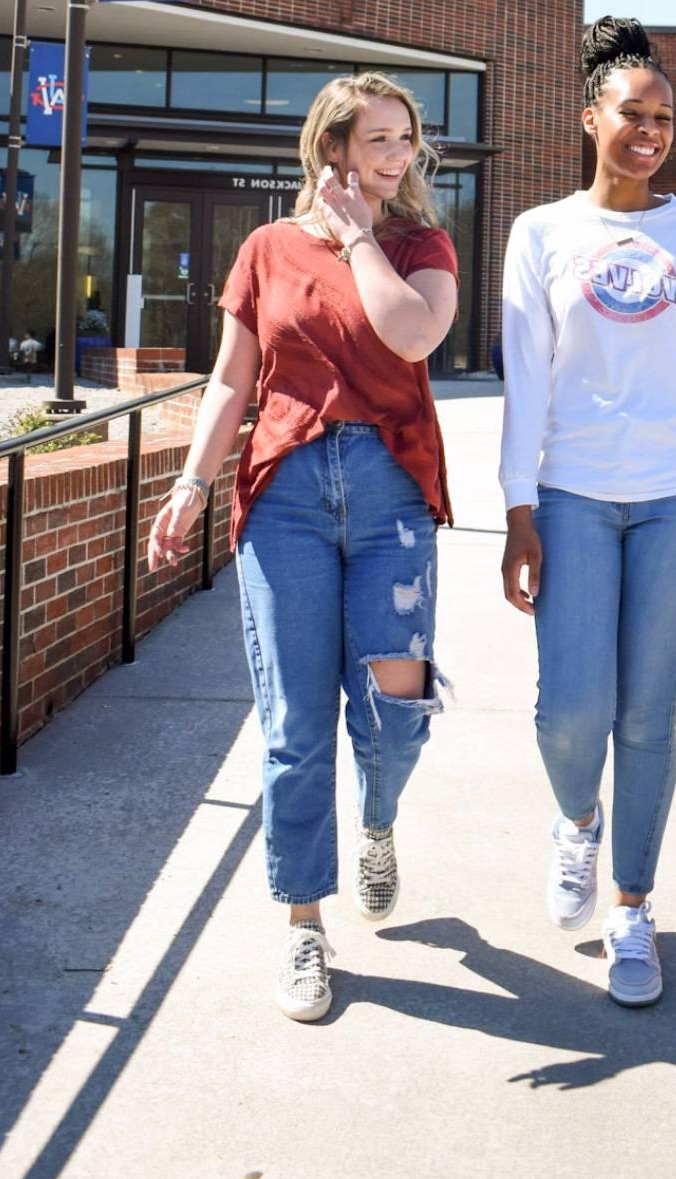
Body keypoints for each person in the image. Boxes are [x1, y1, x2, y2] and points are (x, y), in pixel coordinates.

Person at [147, 72, 459, 1023]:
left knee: (394, 709)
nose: (399, 154)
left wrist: (360, 231)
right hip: (284, 492)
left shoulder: (418, 245)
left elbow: (413, 333)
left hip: (389, 496)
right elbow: (232, 381)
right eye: (378, 139)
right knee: (292, 726)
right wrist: (192, 481)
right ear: (333, 149)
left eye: (406, 138)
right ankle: (303, 928)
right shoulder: (268, 249)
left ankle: (377, 820)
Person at [500, 17, 676, 1006]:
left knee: (648, 715)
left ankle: (633, 910)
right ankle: (576, 821)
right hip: (571, 496)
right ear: (589, 117)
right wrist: (518, 506)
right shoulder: (541, 234)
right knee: (572, 713)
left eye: (664, 118)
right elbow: (525, 379)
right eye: (631, 114)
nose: (649, 132)